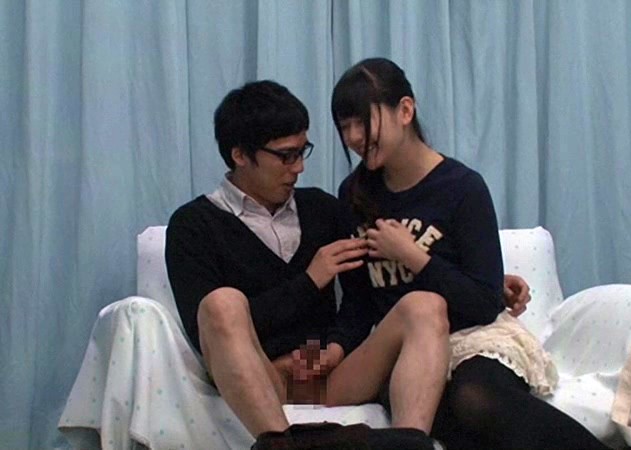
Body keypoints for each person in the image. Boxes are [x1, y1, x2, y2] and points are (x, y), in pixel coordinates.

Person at [165, 79, 532, 448]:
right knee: (223, 303)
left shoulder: (323, 209)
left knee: (425, 304)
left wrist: (334, 349)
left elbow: (363, 297)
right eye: (286, 156)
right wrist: (310, 281)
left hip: (324, 371)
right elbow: (209, 333)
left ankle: (409, 444)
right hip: (257, 372)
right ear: (240, 155)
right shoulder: (193, 225)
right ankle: (282, 444)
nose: (298, 168)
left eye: (303, 152)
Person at [326, 57, 608, 450]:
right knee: (447, 414)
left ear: (405, 111)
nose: (355, 137)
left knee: (474, 398)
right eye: (345, 127)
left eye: (364, 122)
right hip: (407, 347)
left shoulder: (461, 188)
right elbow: (357, 305)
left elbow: (483, 302)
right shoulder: (354, 195)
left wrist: (414, 257)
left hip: (474, 337)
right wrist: (325, 356)